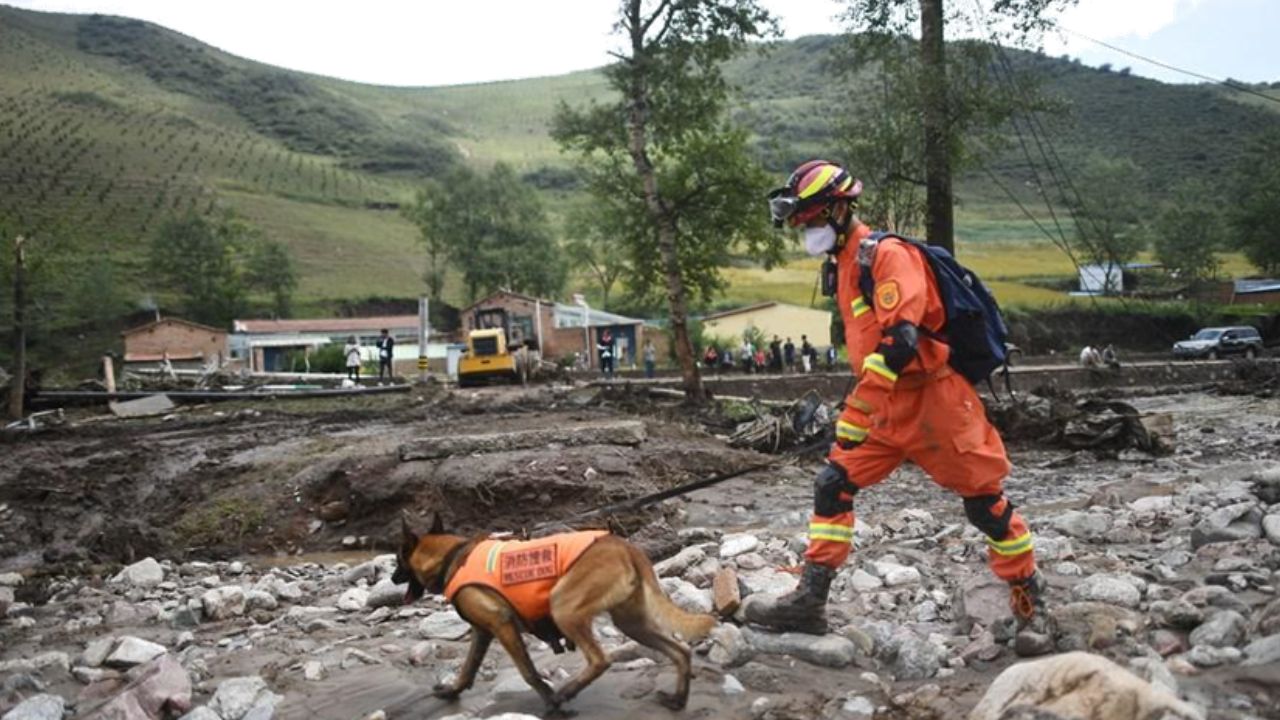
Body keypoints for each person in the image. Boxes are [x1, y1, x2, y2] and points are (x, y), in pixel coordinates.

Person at [749, 160, 1050, 656]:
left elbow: (902, 341)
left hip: (936, 403)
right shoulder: (842, 263)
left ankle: (1030, 604)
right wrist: (863, 409)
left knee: (986, 507)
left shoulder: (886, 256)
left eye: (812, 218)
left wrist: (857, 411)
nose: (806, 228)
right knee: (833, 485)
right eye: (801, 221)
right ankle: (810, 599)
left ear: (841, 208)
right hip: (888, 409)